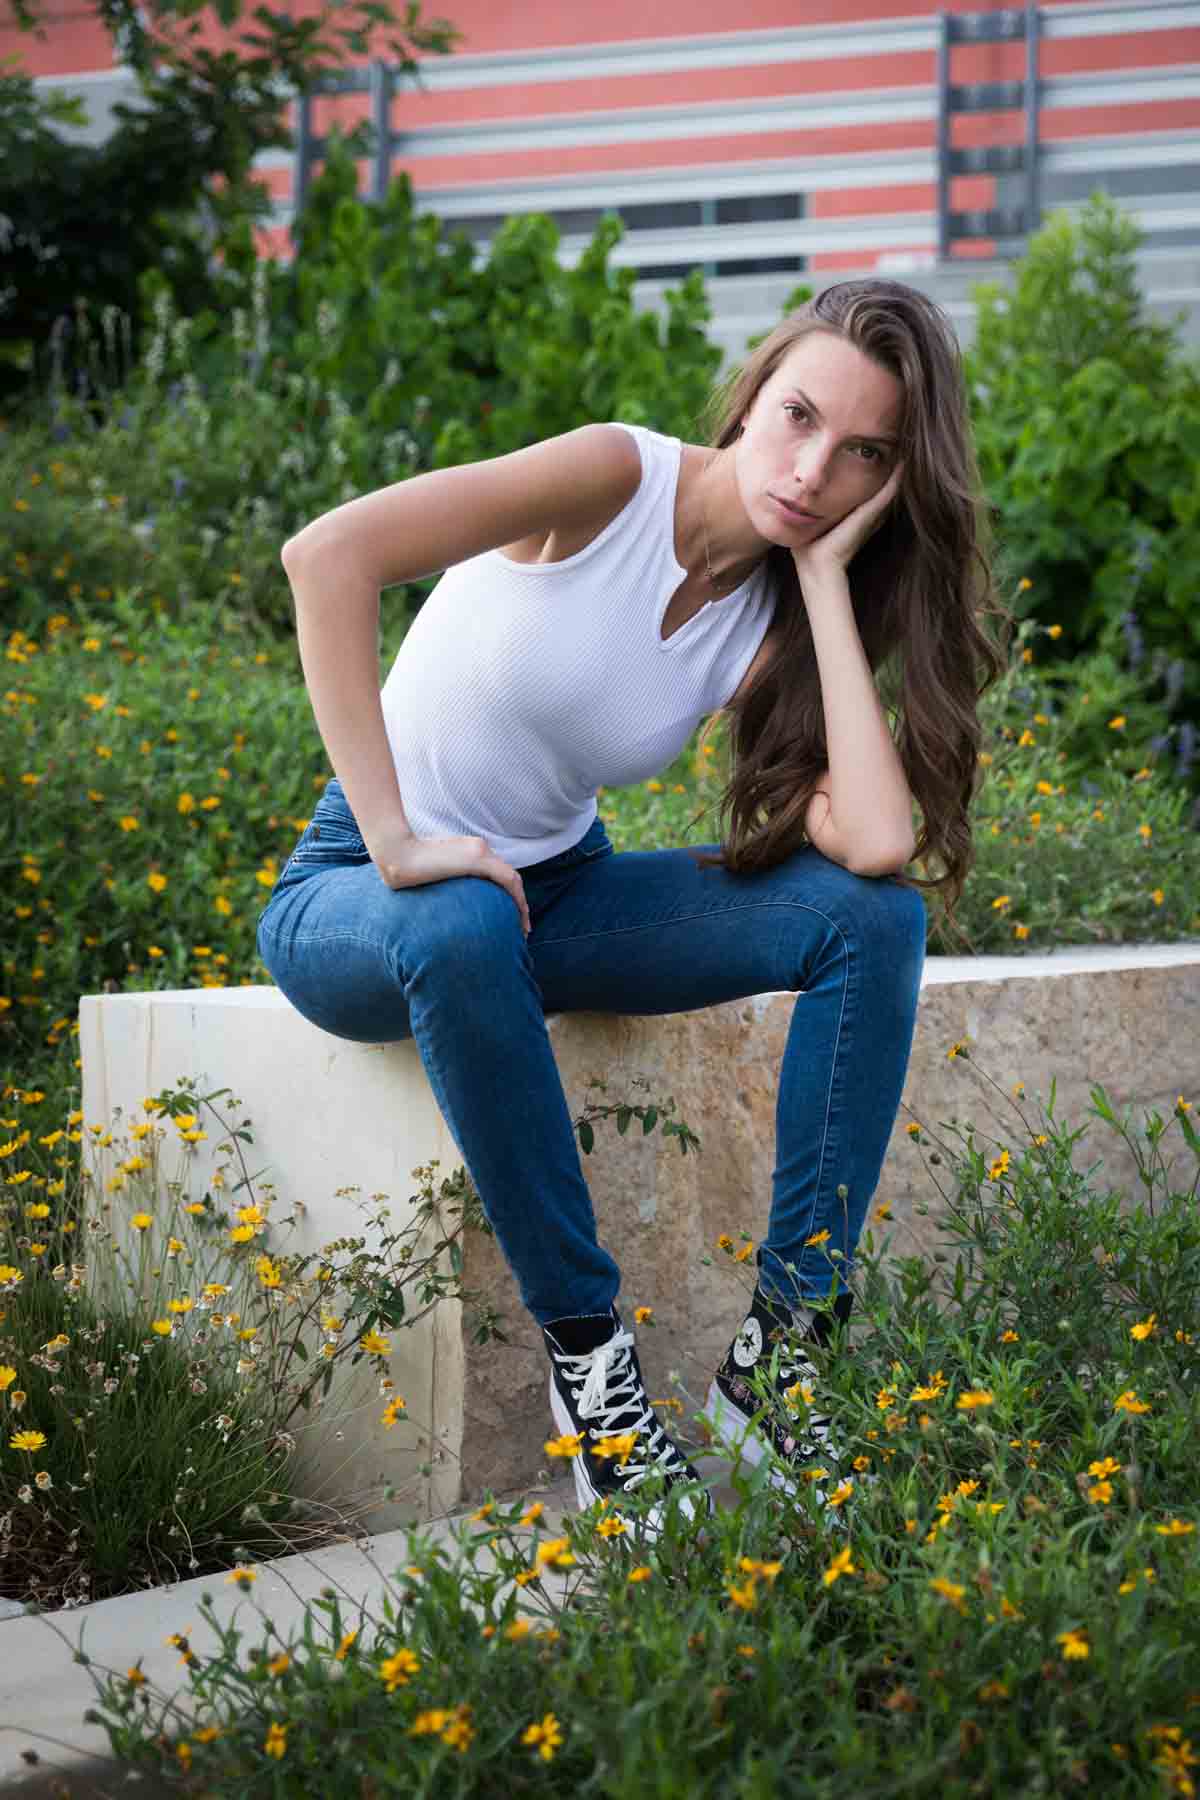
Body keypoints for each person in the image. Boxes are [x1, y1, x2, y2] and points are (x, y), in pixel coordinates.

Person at [255, 277, 1006, 1540]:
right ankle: (596, 1377)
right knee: (459, 923)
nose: (813, 469)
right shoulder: (611, 479)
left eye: (862, 453)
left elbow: (875, 845)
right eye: (799, 417)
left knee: (873, 923)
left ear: (889, 481)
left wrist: (821, 582)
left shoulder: (772, 613)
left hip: (555, 895)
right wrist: (394, 838)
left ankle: (779, 1358)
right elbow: (328, 554)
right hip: (359, 891)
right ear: (754, 394)